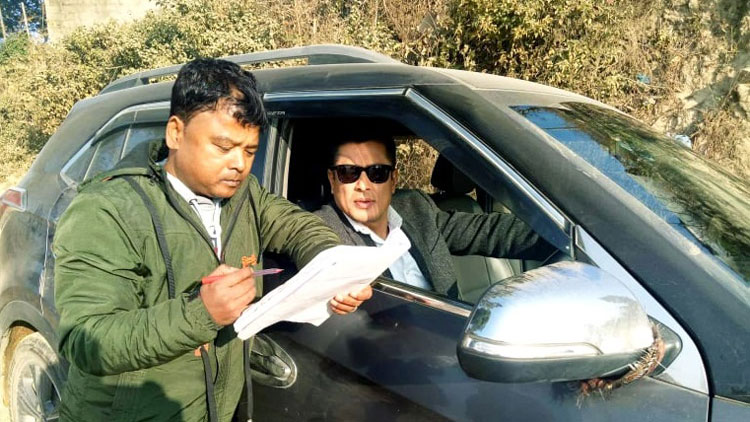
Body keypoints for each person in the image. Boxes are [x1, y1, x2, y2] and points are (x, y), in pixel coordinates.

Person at [53, 58, 370, 422]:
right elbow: (86, 339)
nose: (239, 164)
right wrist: (201, 312)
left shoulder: (244, 194)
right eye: (223, 147)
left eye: (249, 151)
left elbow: (296, 225)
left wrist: (334, 266)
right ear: (176, 132)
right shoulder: (107, 209)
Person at [314, 132, 556, 297]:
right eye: (348, 173)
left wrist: (564, 235)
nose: (363, 185)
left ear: (394, 180)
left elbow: (490, 232)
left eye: (377, 173)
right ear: (332, 180)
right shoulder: (321, 228)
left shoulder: (415, 207)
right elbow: (314, 252)